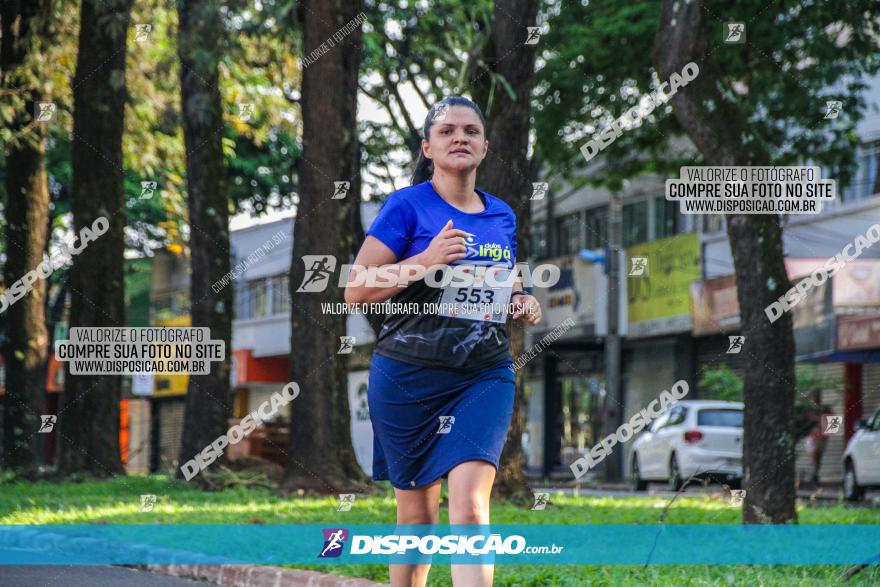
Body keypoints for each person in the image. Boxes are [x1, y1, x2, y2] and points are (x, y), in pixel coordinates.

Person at [344, 96, 542, 587]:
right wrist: (428, 258)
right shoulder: (407, 205)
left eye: (470, 131)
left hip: (483, 373)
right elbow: (356, 289)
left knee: (472, 509)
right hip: (408, 375)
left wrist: (522, 300)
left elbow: (504, 281)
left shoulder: (501, 214)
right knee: (417, 518)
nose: (460, 138)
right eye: (448, 131)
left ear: (484, 146)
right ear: (428, 147)